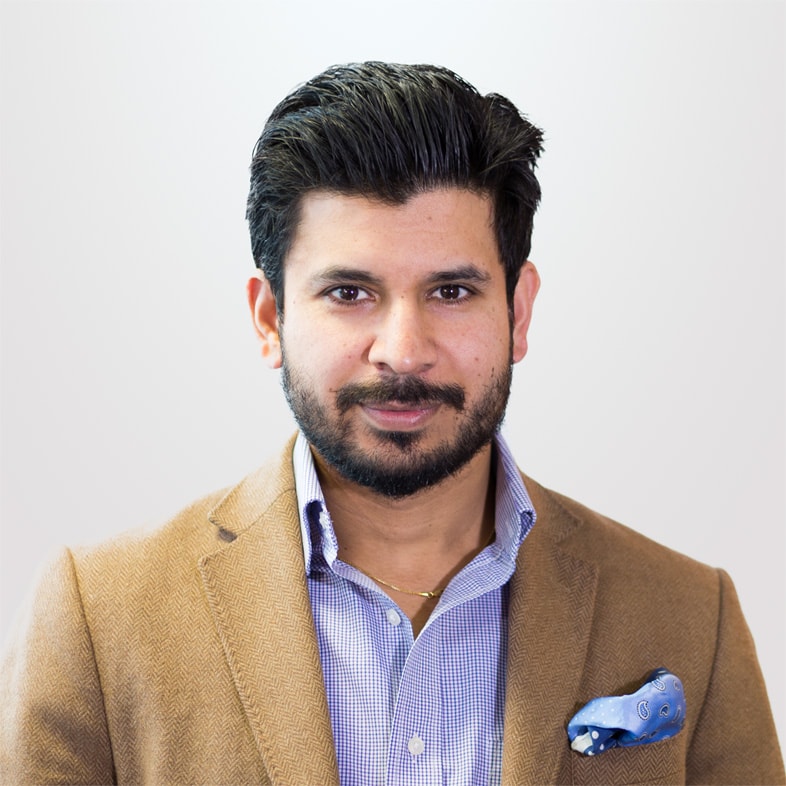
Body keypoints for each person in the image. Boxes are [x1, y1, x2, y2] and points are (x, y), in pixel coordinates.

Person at [0, 62, 783, 786]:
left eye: (451, 292)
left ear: (517, 313)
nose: (403, 352)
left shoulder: (691, 616)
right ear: (270, 318)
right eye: (349, 293)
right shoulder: (98, 617)